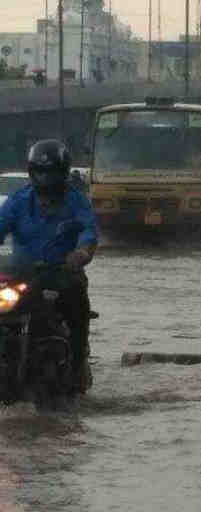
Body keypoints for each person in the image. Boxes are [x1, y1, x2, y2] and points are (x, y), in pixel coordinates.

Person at [0, 140, 99, 390]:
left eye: (51, 172)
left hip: (63, 275)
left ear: (63, 172)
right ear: (32, 172)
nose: (45, 179)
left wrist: (81, 253)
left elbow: (88, 231)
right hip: (22, 276)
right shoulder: (18, 201)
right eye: (40, 172)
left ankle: (76, 365)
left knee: (78, 306)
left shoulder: (76, 201)